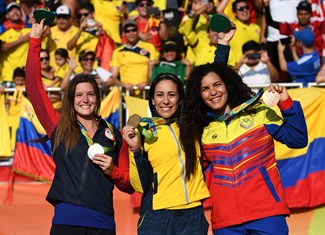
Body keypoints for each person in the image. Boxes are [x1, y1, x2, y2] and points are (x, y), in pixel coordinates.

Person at [25, 20, 134, 235]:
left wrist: (113, 171)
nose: (85, 99)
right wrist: (35, 41)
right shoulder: (58, 125)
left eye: (90, 94)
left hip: (103, 222)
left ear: (98, 98)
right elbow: (33, 87)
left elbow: (129, 184)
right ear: (71, 100)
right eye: (79, 95)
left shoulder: (114, 135)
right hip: (67, 221)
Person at [184, 64, 308, 234]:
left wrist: (286, 102)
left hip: (267, 214)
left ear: (227, 84)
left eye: (217, 84)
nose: (212, 91)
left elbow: (297, 139)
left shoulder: (259, 113)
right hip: (226, 222)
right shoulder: (203, 131)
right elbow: (194, 174)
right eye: (205, 88)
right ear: (199, 95)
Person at [122, 73, 210, 234]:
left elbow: (216, 85)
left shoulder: (193, 125)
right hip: (157, 215)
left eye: (172, 95)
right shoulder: (142, 131)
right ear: (153, 100)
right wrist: (134, 149)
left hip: (193, 214)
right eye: (160, 95)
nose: (166, 101)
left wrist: (223, 47)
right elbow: (139, 185)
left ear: (180, 99)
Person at [110, 19, 159, 94]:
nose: (131, 33)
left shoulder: (149, 47)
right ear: (123, 33)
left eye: (134, 30)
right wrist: (123, 85)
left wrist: (147, 83)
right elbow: (113, 77)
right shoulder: (117, 52)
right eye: (127, 31)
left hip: (146, 92)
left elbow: (155, 70)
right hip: (127, 95)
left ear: (138, 31)